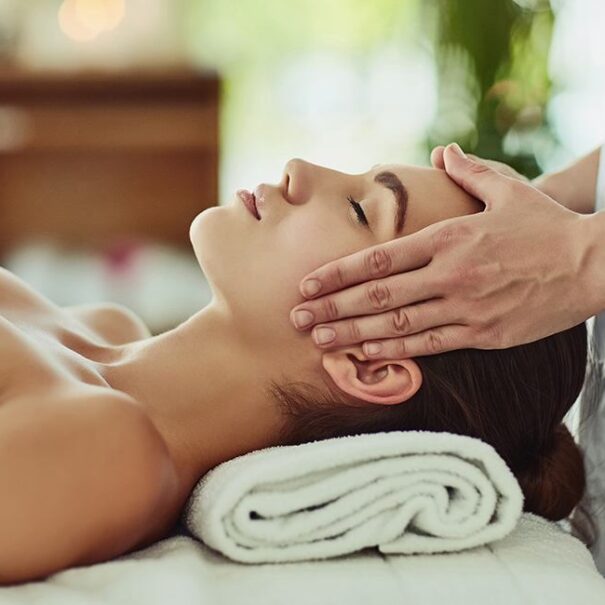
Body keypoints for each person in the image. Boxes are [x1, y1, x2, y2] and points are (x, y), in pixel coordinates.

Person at [0, 157, 591, 585]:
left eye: (362, 210)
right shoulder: (108, 327)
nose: (298, 169)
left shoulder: (110, 453)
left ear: (370, 365)